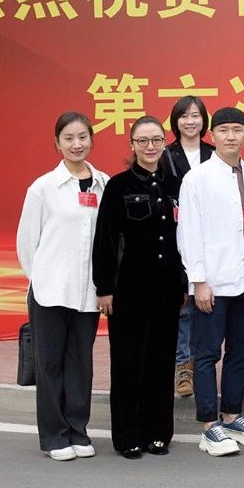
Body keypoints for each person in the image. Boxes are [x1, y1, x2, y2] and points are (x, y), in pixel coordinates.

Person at [16, 111, 109, 461]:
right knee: (50, 364)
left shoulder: (104, 184)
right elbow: (27, 243)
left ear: (92, 140)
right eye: (69, 138)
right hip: (50, 291)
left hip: (87, 292)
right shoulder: (43, 188)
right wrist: (41, 279)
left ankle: (78, 430)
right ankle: (54, 436)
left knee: (80, 364)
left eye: (82, 137)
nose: (76, 144)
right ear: (57, 143)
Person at [178, 107, 244, 457]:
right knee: (206, 353)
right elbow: (189, 232)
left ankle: (231, 416)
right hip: (213, 284)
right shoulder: (197, 178)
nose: (231, 136)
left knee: (240, 351)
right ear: (212, 135)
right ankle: (208, 425)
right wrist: (198, 281)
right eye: (224, 130)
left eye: (237, 130)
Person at [92, 116, 187, 458]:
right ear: (132, 145)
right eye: (143, 141)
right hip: (128, 291)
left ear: (165, 143)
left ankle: (158, 432)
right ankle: (127, 435)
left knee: (161, 363)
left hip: (167, 290)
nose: (150, 147)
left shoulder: (176, 184)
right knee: (128, 363)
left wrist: (184, 282)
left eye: (157, 140)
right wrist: (104, 288)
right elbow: (105, 240)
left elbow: (185, 238)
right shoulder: (118, 186)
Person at [162, 96, 214, 399]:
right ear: (176, 121)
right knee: (183, 303)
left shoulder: (215, 154)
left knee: (204, 303)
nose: (190, 121)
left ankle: (200, 363)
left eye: (195, 116)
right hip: (173, 237)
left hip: (210, 237)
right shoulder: (165, 155)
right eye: (184, 116)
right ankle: (183, 366)